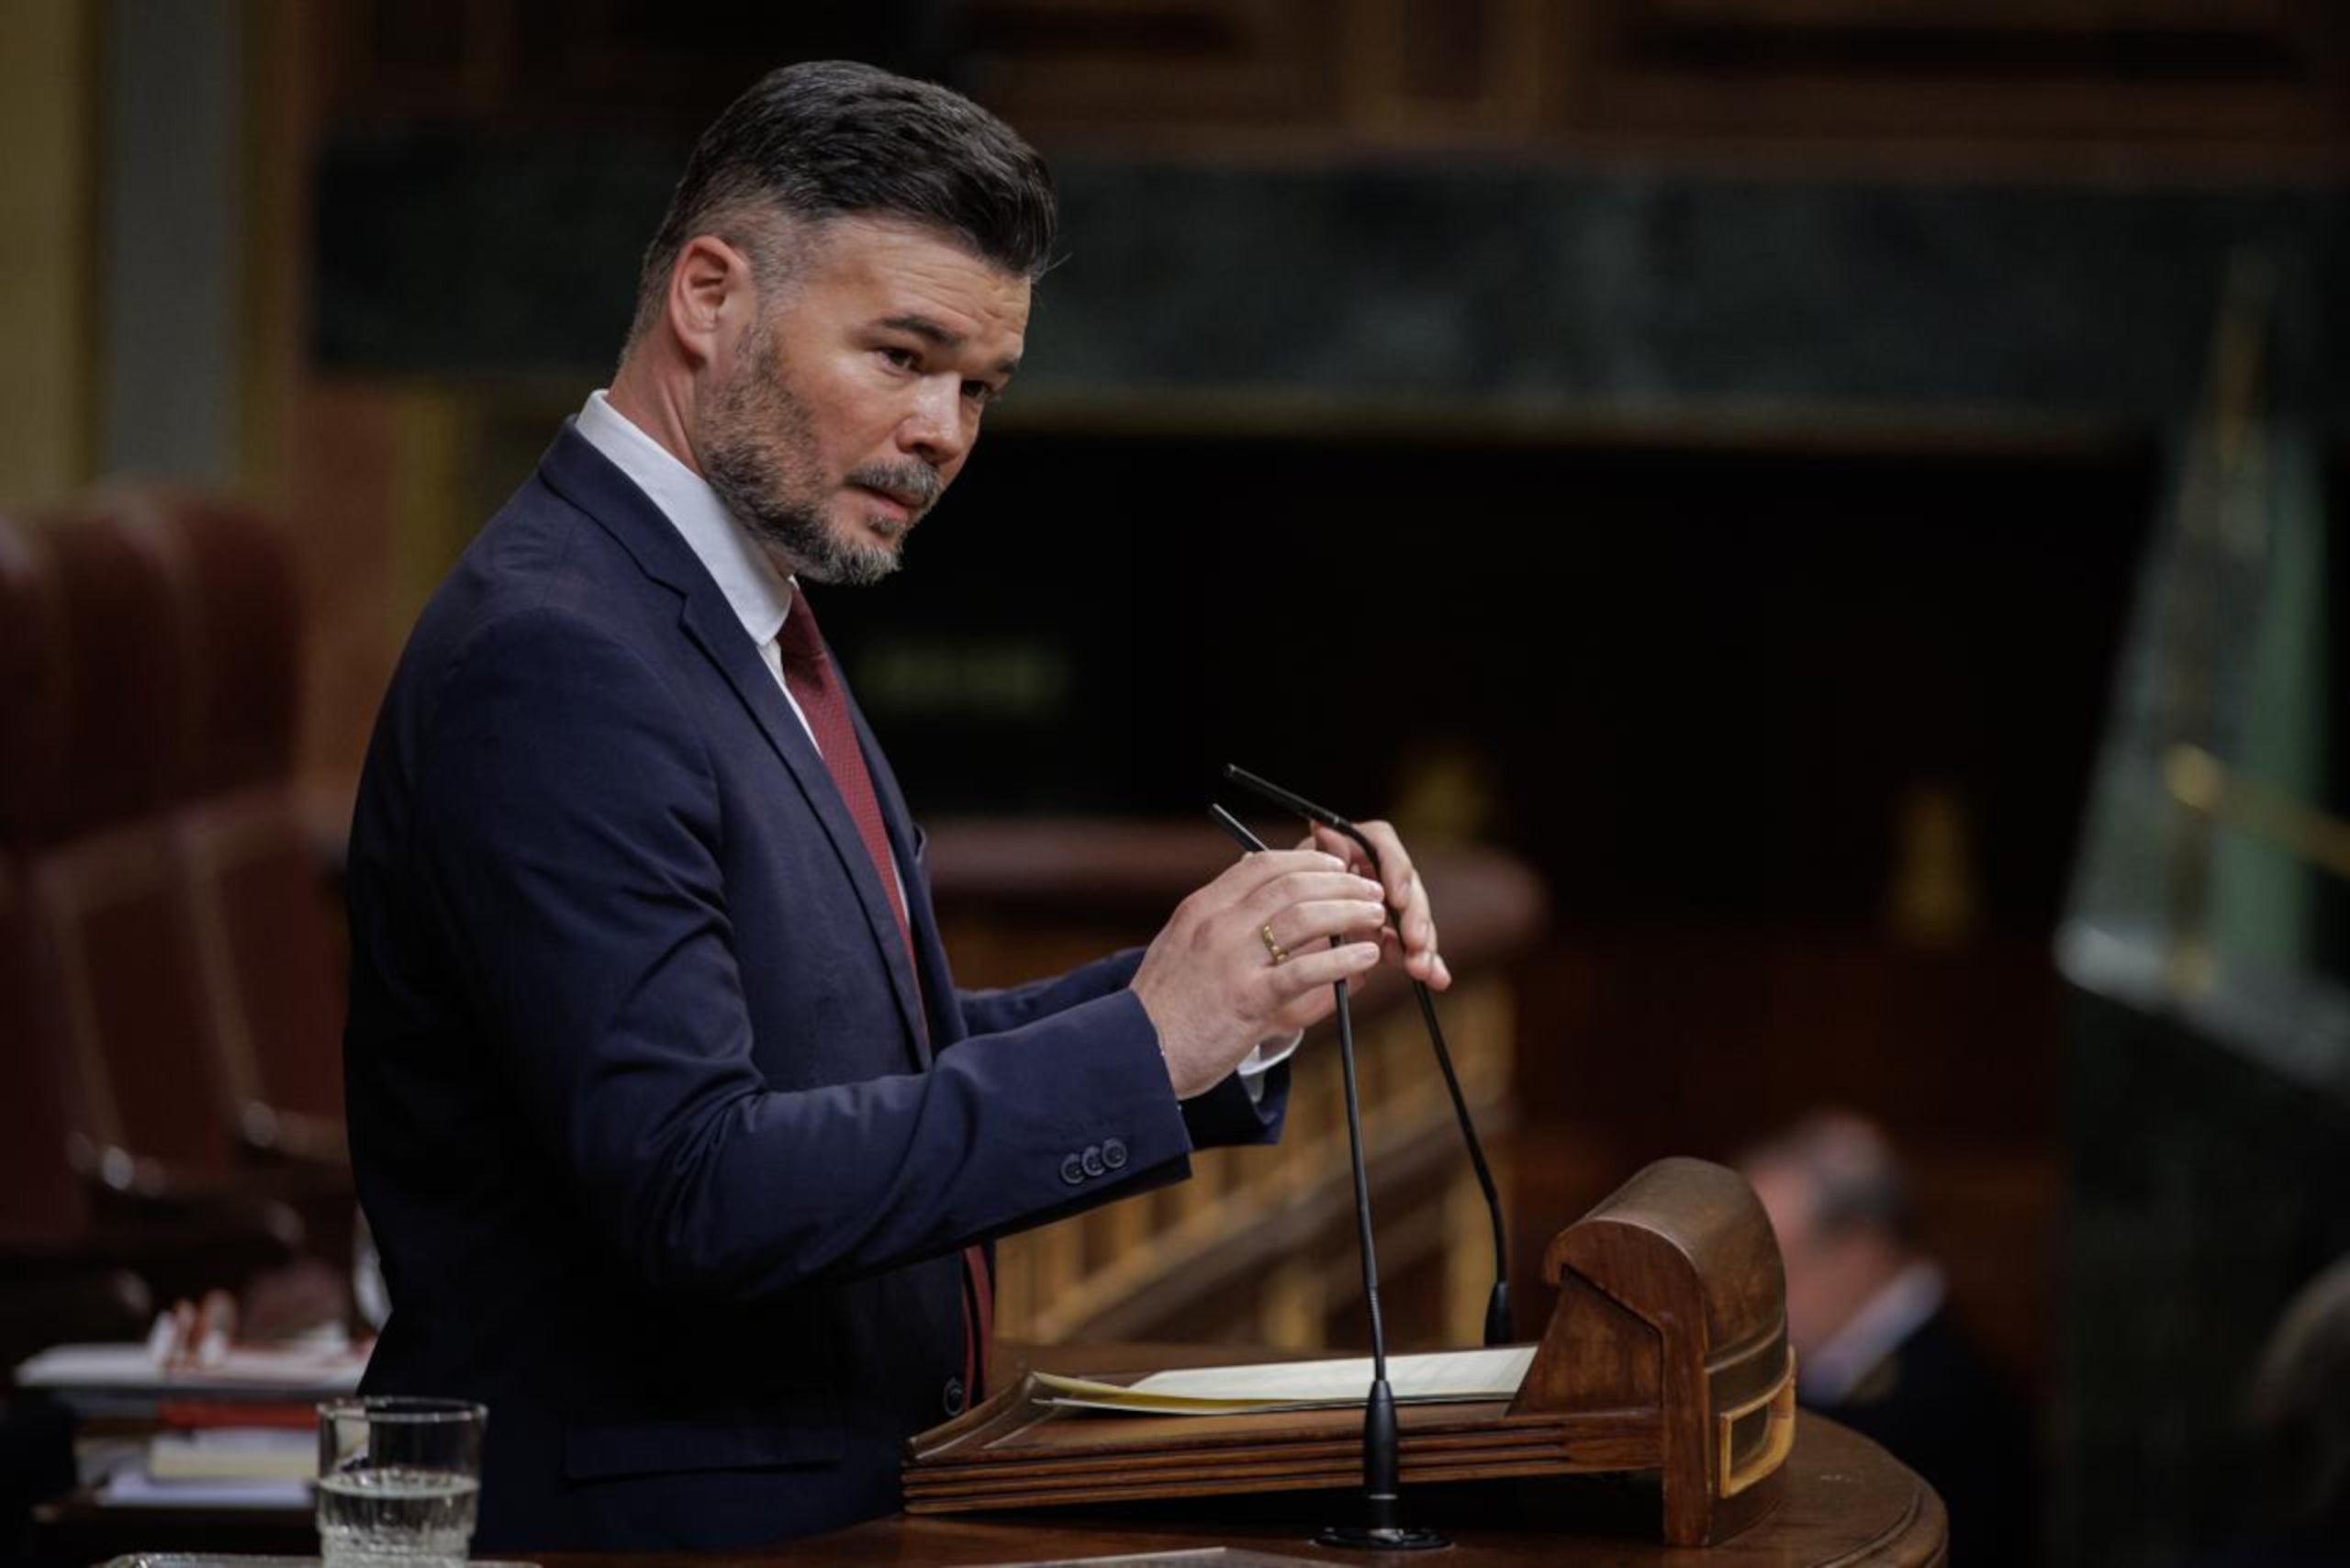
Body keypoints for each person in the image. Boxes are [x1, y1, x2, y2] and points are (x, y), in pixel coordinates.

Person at [341, 60, 1449, 1553]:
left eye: (979, 385)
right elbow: (695, 1185)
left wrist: (1232, 986)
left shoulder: (738, 610)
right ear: (711, 295)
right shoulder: (559, 651)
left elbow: (862, 1065)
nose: (944, 433)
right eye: (903, 356)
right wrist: (1145, 1044)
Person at [1739, 1111, 2037, 1562]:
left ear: (1859, 1253)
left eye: (1773, 1269)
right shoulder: (1834, 1366)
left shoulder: (1946, 1404)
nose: (1747, 1302)